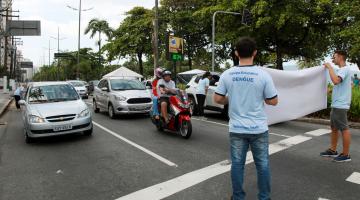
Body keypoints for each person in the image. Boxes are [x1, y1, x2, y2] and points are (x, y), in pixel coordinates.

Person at [214, 37, 278, 200]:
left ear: (236, 53)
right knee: (262, 165)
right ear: (255, 53)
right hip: (259, 128)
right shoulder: (263, 75)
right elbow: (273, 101)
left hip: (236, 128)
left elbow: (218, 99)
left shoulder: (227, 74)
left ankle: (237, 197)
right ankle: (264, 197)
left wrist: (231, 98)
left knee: (237, 165)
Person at [321, 50, 352, 162]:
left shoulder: (344, 69)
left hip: (340, 105)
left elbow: (335, 80)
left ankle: (346, 155)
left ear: (340, 57)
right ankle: (333, 151)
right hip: (337, 104)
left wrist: (329, 67)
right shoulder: (342, 70)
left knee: (344, 129)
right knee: (334, 128)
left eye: (334, 57)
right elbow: (340, 84)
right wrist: (331, 91)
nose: (333, 59)